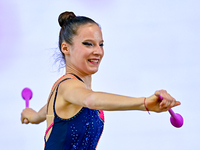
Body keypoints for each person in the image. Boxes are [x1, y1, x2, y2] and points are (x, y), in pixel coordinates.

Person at [21, 11, 181, 150]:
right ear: (65, 48)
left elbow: (50, 112)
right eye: (88, 44)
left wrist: (34, 116)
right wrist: (144, 102)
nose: (98, 51)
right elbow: (90, 100)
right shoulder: (68, 85)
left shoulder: (67, 93)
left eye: (101, 44)